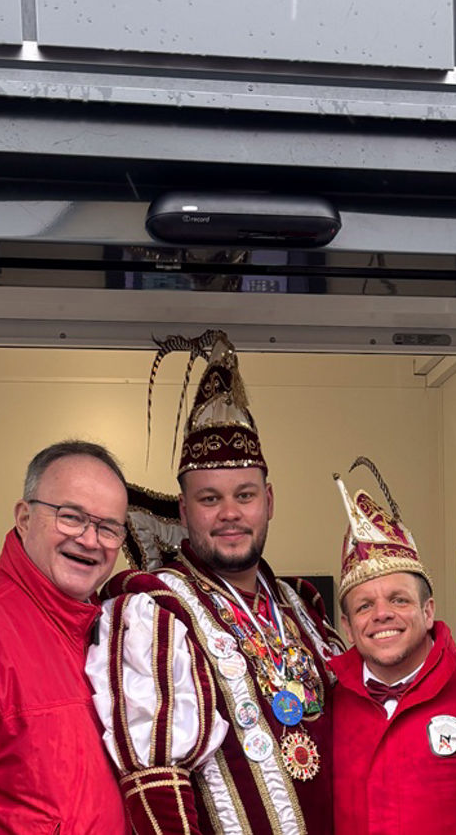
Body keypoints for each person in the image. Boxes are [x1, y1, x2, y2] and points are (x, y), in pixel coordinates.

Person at [87, 330, 344, 834]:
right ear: (184, 510)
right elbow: (157, 780)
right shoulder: (157, 607)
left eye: (244, 495)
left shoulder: (301, 605)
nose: (230, 514)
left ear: (269, 502)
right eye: (209, 499)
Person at [328, 458, 456, 835]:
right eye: (364, 606)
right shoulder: (325, 703)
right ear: (348, 628)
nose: (382, 614)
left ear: (428, 610)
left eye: (399, 600)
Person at [0, 440, 131, 835]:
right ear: (24, 518)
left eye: (108, 528)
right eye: (71, 517)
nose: (90, 540)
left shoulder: (122, 634)